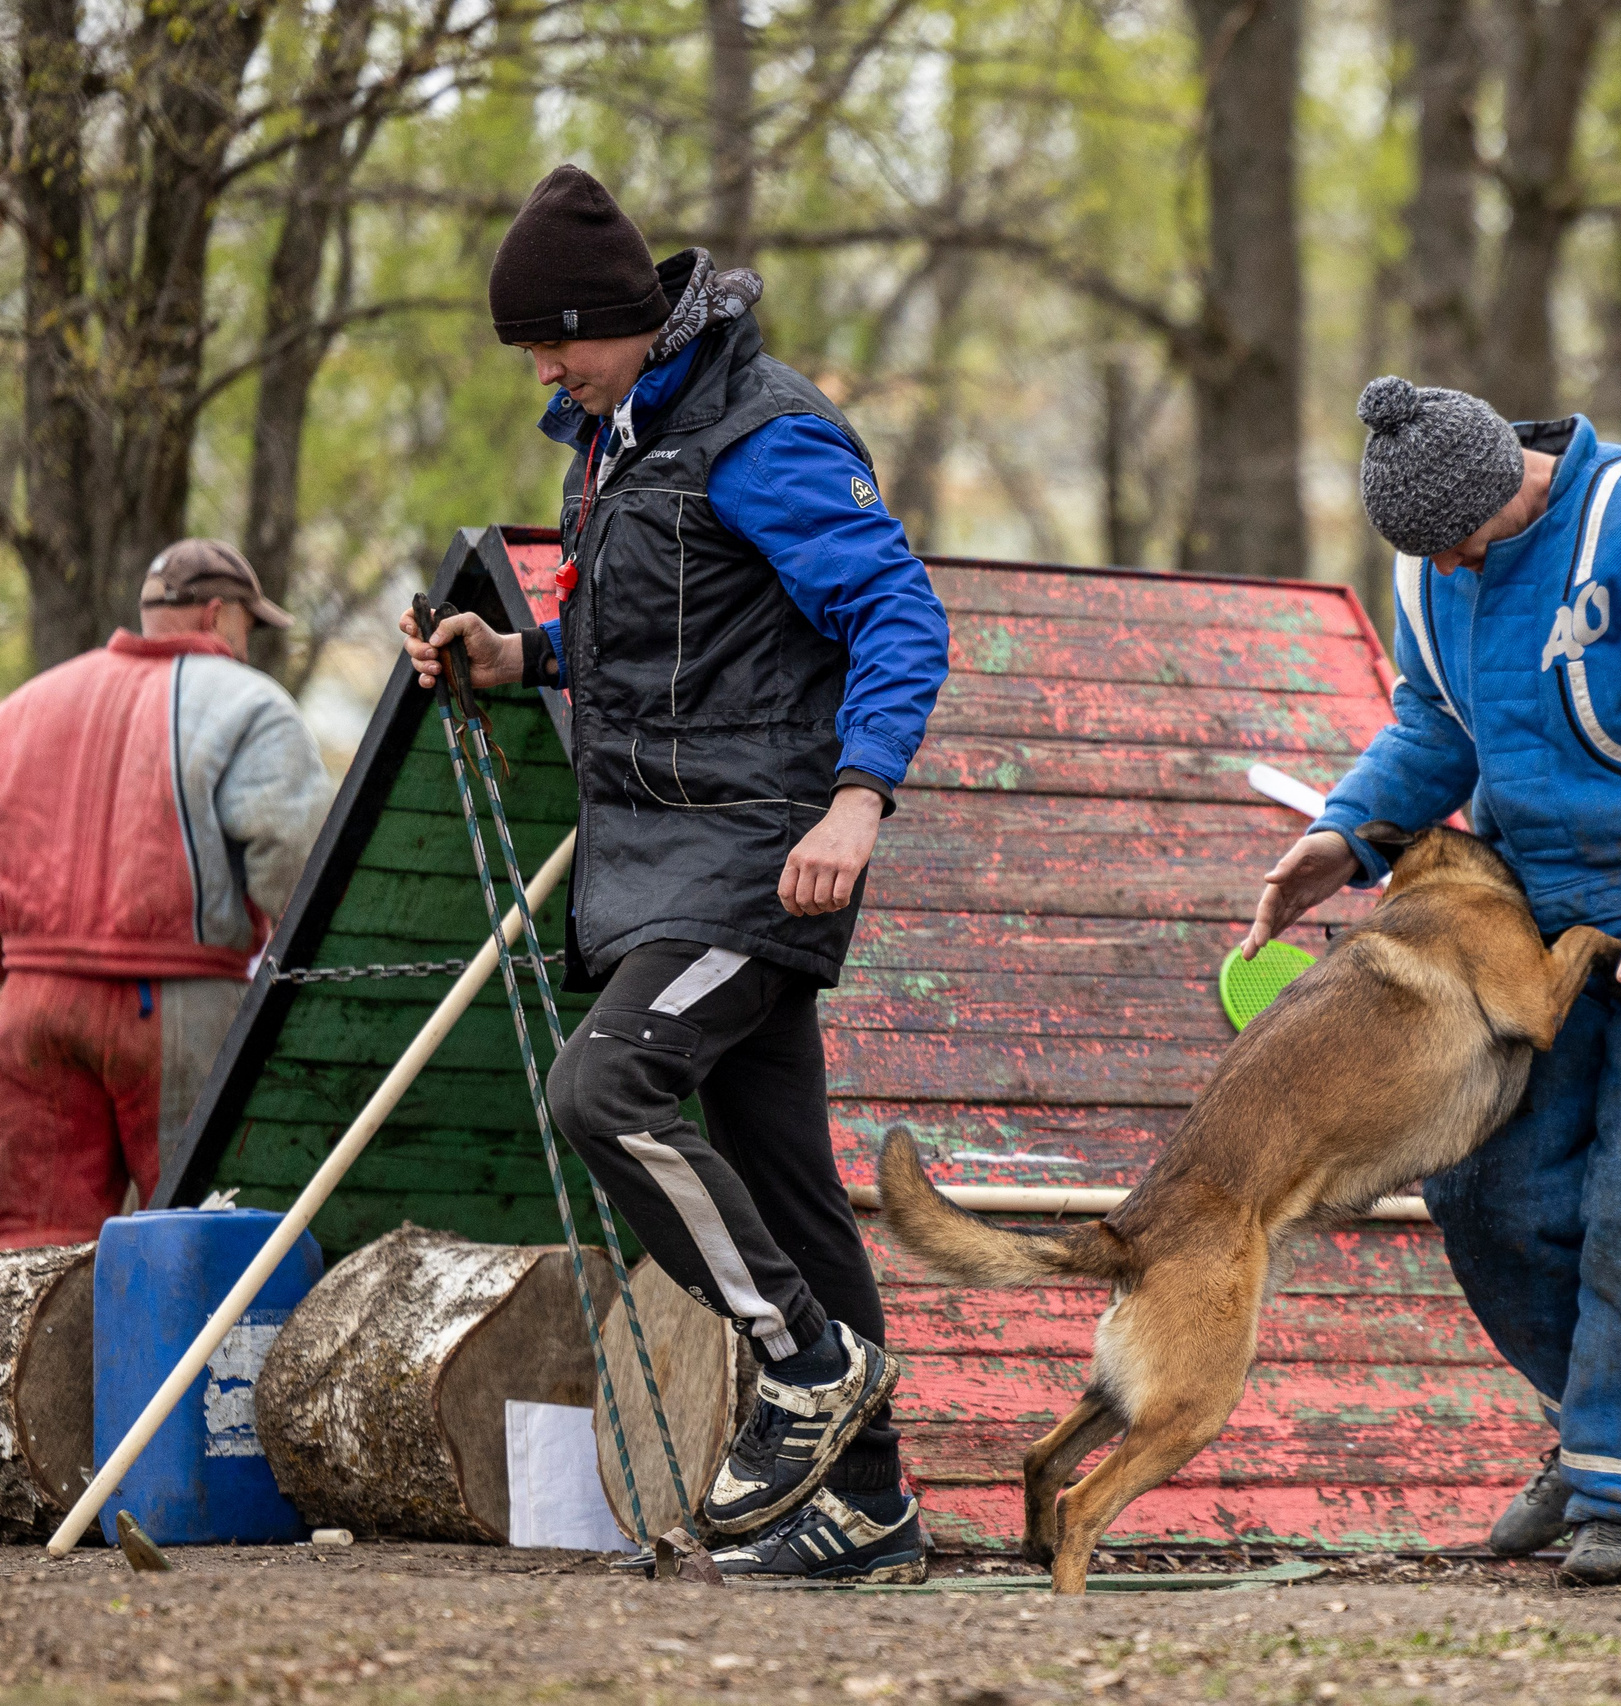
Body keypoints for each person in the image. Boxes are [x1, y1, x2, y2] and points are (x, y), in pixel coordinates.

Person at [399, 165, 950, 1585]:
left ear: (623, 319)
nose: (542, 368)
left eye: (555, 340)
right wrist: (516, 656)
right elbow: (649, 632)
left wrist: (858, 799)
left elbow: (898, 609)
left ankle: (804, 1365)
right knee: (787, 1178)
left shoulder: (761, 437)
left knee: (604, 1089)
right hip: (663, 847)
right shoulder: (615, 434)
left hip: (763, 848)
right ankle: (870, 1508)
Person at [1243, 376, 1621, 1585]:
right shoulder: (1434, 565)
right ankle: (1595, 1434)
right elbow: (1434, 724)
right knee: (1490, 1191)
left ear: (1511, 482)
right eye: (1433, 553)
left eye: (1468, 539)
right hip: (1528, 905)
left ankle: (1620, 1487)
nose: (1454, 566)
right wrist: (1348, 832)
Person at [0, 541, 333, 1249]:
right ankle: (176, 1366)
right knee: (191, 1236)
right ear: (217, 615)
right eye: (249, 626)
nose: (247, 645)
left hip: (28, 1005)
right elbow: (297, 861)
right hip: (176, 1003)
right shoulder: (249, 705)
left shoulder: (24, 706)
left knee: (32, 1249)